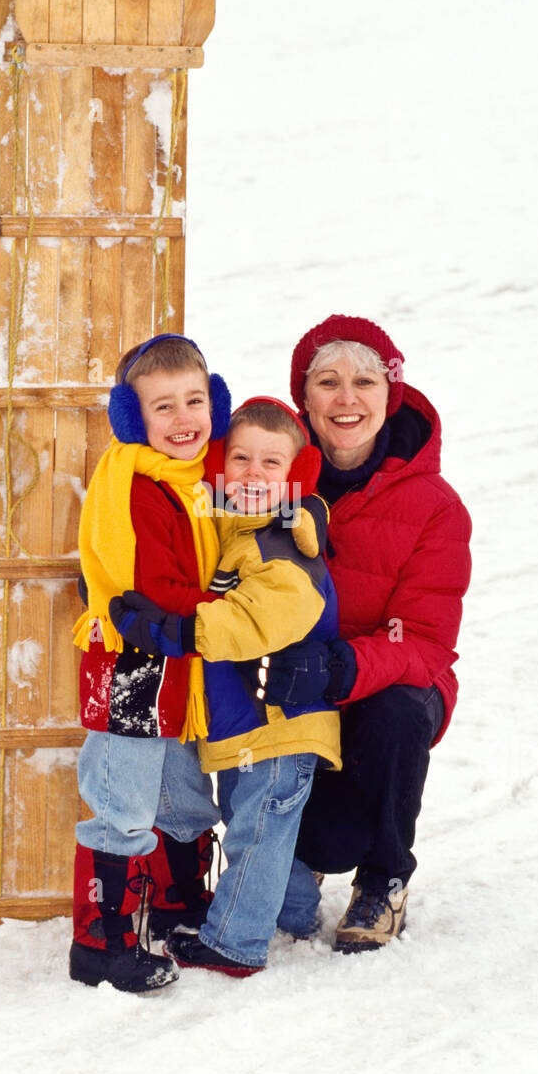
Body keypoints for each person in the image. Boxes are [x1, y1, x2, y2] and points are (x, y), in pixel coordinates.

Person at [260, 315, 472, 953]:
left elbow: (428, 641)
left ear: (391, 394)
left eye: (363, 382)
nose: (346, 399)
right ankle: (298, 853)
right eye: (327, 382)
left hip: (378, 687)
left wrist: (341, 666)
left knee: (400, 710)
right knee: (327, 838)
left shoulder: (435, 506)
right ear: (305, 397)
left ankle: (384, 878)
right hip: (293, 685)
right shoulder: (268, 478)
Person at [110, 398, 341, 975]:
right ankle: (292, 912)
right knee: (257, 825)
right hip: (248, 725)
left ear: (297, 474)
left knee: (256, 829)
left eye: (271, 462)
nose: (254, 474)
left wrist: (180, 630)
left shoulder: (285, 541)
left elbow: (264, 616)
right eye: (240, 458)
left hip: (283, 722)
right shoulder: (229, 528)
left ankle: (235, 941)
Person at [68, 333, 230, 994]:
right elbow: (154, 586)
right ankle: (101, 943)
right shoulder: (134, 480)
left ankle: (178, 905)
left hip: (183, 662)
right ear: (134, 419)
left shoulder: (205, 477)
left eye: (195, 400)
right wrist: (227, 601)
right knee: (126, 799)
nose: (184, 418)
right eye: (163, 407)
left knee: (184, 794)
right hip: (134, 660)